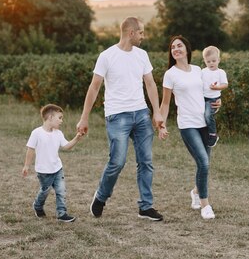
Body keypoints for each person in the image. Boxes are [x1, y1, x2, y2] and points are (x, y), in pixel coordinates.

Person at [76, 17, 165, 222]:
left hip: (141, 114)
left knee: (146, 161)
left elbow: (150, 84)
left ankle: (146, 206)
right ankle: (101, 197)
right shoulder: (107, 56)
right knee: (117, 162)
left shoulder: (142, 55)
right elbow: (94, 87)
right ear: (131, 33)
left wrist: (157, 112)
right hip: (117, 116)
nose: (143, 36)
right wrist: (84, 118)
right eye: (141, 32)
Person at [158, 35, 221, 220]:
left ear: (186, 48)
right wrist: (161, 125)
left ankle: (195, 192)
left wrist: (218, 104)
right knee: (203, 161)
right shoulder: (170, 74)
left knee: (205, 165)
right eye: (172, 47)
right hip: (187, 125)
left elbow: (209, 93)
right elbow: (165, 104)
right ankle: (205, 205)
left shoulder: (198, 71)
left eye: (179, 46)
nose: (175, 49)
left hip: (204, 123)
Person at [22, 104, 84, 223]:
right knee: (45, 190)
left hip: (57, 168)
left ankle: (62, 213)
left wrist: (76, 138)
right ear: (50, 117)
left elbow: (66, 146)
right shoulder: (37, 133)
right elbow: (30, 149)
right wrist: (26, 165)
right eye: (59, 118)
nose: (61, 121)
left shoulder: (58, 133)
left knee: (61, 190)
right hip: (43, 171)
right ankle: (38, 206)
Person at [201, 46, 228, 147]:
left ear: (218, 60)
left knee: (208, 115)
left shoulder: (220, 72)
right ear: (204, 61)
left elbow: (225, 84)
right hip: (202, 98)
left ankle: (213, 134)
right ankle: (204, 133)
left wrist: (217, 87)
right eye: (208, 61)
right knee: (201, 116)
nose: (211, 63)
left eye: (213, 60)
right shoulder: (203, 71)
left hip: (213, 98)